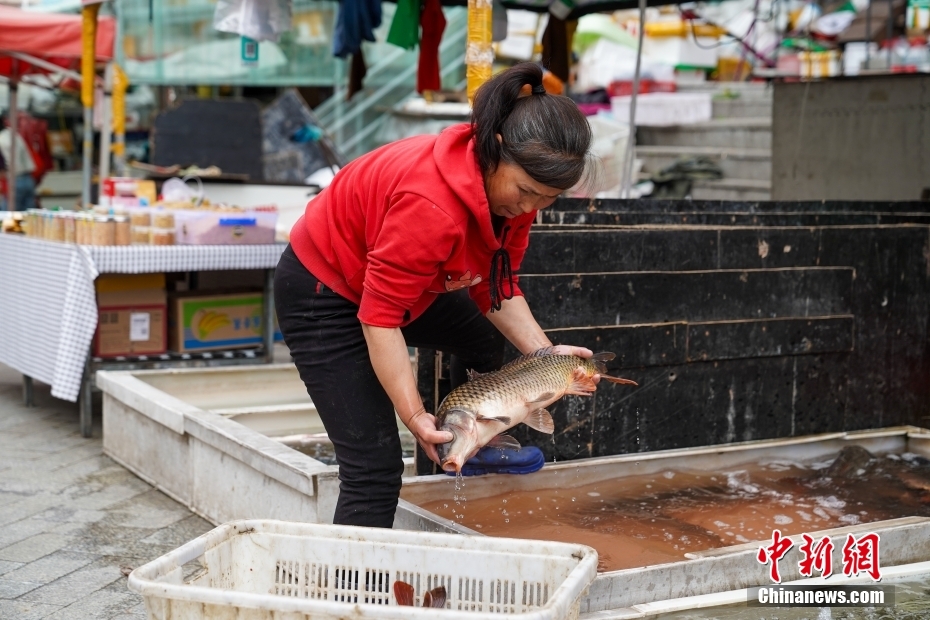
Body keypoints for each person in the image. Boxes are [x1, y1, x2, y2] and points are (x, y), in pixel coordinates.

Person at [275, 62, 596, 528]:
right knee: (374, 468)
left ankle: (472, 435)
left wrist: (547, 358)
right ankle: (350, 577)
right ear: (496, 149)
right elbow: (379, 319)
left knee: (480, 335)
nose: (530, 207)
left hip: (398, 285)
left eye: (546, 199)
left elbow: (496, 286)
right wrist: (414, 416)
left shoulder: (515, 192)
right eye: (526, 192)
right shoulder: (431, 206)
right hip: (324, 290)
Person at [0, 113, 38, 212]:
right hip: (28, 179)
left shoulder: (1, 140)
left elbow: (3, 167)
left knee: (7, 216)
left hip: (14, 181)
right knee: (28, 216)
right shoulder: (13, 134)